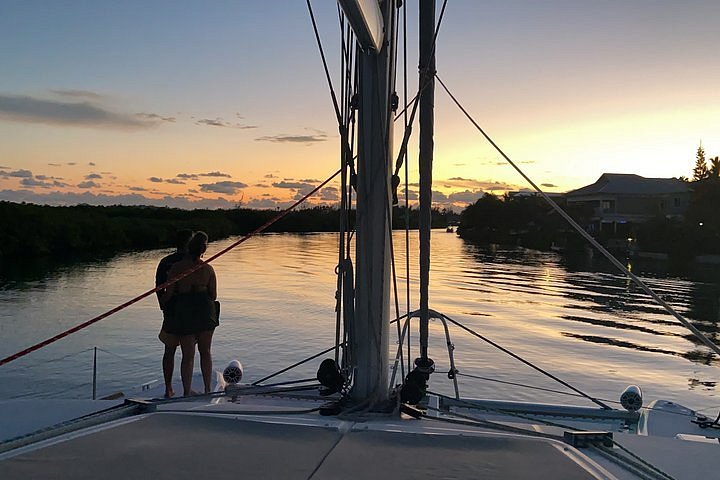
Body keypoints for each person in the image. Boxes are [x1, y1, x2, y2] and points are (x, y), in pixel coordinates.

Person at [162, 231, 218, 395]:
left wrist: (164, 305)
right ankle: (207, 389)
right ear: (203, 250)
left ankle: (187, 391)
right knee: (205, 351)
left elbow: (169, 293)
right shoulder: (208, 269)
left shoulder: (176, 268)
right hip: (205, 311)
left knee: (188, 355)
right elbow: (213, 295)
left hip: (184, 311)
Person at [155, 229, 193, 398]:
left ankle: (168, 388)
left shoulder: (165, 262)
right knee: (188, 352)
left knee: (169, 350)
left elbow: (158, 286)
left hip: (171, 310)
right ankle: (186, 390)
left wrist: (163, 305)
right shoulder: (192, 262)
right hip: (188, 312)